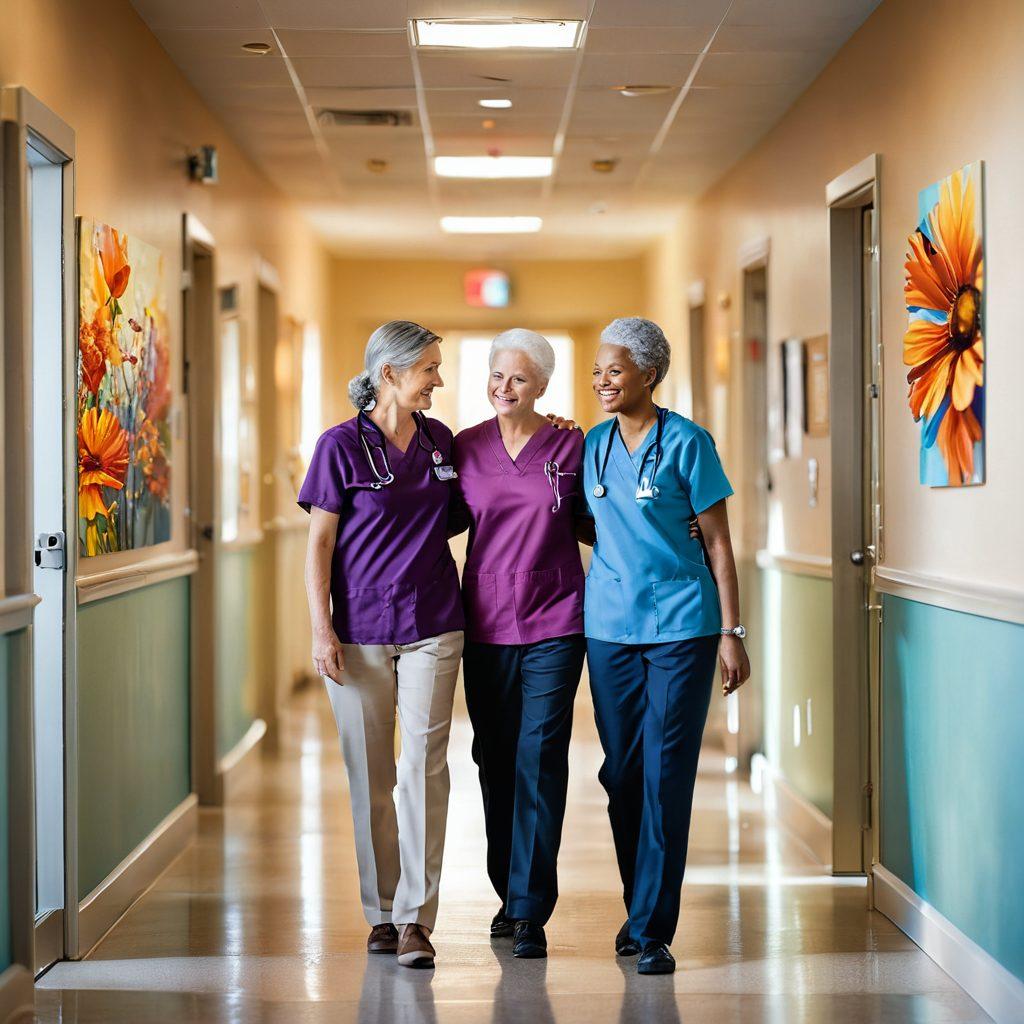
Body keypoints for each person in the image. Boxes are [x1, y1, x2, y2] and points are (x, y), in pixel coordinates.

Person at [581, 317, 750, 976]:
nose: (602, 381)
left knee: (665, 772)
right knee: (622, 775)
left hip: (684, 627)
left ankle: (653, 928)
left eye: (614, 370)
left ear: (648, 374)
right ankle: (639, 904)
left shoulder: (688, 443)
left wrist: (734, 633)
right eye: (597, 371)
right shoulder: (591, 445)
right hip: (610, 628)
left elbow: (720, 544)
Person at [300, 320, 464, 970]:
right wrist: (321, 628)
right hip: (359, 630)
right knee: (368, 774)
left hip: (434, 623)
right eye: (429, 368)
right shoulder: (338, 446)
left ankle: (416, 921)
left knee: (423, 769)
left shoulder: (441, 443)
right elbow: (318, 544)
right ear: (389, 374)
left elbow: (460, 517)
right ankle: (381, 911)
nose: (439, 380)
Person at [451, 329, 585, 960]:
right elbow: (431, 514)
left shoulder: (572, 443)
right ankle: (507, 889)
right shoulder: (464, 446)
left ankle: (531, 909)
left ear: (543, 388)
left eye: (520, 380)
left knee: (540, 755)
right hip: (484, 621)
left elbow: (599, 518)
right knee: (494, 757)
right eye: (497, 377)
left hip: (557, 619)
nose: (504, 389)